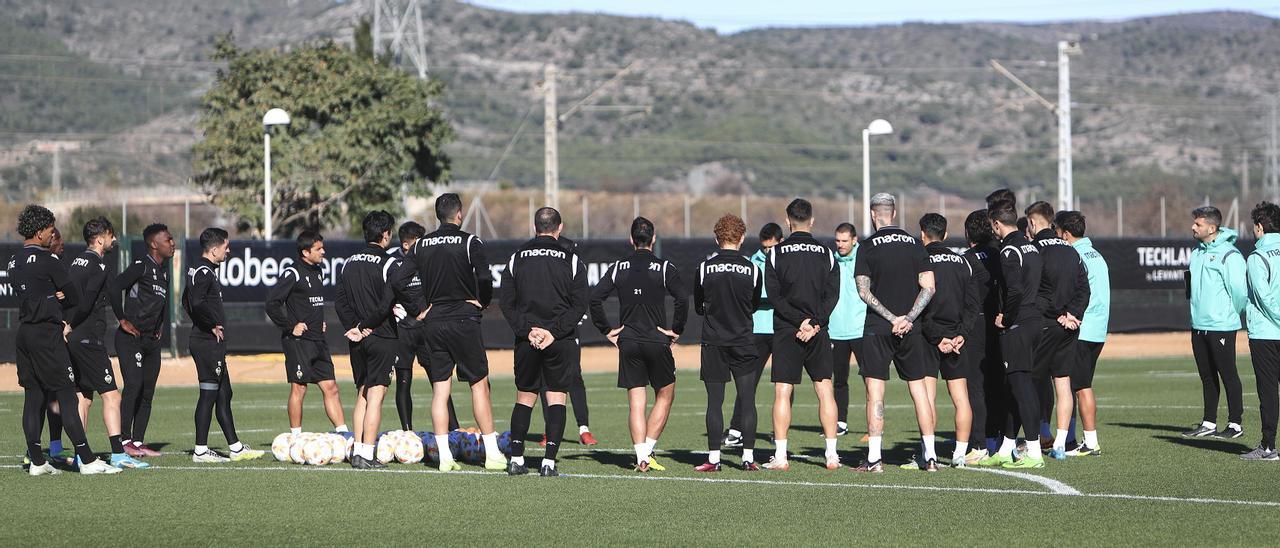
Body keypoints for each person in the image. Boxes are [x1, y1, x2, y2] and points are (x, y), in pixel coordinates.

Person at [11, 204, 120, 475]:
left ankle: (37, 461)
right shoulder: (50, 260)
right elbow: (73, 297)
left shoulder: (13, 261)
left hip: (24, 333)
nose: (52, 235)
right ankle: (87, 459)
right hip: (48, 334)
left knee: (33, 396)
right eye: (50, 230)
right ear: (39, 232)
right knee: (67, 396)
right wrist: (56, 297)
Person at [409, 194, 503, 471]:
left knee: (440, 390)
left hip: (434, 320)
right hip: (463, 318)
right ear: (459, 215)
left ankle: (445, 458)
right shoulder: (470, 241)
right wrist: (482, 302)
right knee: (479, 385)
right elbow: (485, 277)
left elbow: (399, 279)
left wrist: (419, 308)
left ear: (438, 215)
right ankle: (492, 454)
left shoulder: (420, 245)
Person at [590, 216, 689, 472]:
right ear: (653, 239)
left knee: (636, 401)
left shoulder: (617, 268)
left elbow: (595, 299)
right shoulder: (665, 267)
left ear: (631, 239)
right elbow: (682, 299)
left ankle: (641, 456)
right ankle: (647, 452)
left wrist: (607, 330)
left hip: (629, 341)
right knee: (665, 395)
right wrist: (675, 330)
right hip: (657, 339)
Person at [498, 207, 588, 476]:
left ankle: (516, 460)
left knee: (525, 397)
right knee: (557, 398)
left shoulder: (516, 258)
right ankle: (548, 463)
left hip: (528, 341)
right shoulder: (571, 260)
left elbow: (506, 303)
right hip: (558, 341)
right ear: (559, 228)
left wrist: (527, 331)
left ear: (535, 226)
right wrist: (554, 332)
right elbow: (579, 305)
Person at [852, 194, 936, 472]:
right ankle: (931, 456)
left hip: (878, 328)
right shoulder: (915, 244)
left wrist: (891, 318)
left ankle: (875, 458)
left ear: (873, 215)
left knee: (875, 393)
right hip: (911, 329)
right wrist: (908, 318)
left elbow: (863, 291)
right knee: (919, 391)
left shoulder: (866, 247)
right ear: (895, 213)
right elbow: (929, 287)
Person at [335, 210, 421, 470]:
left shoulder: (348, 262)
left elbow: (340, 301)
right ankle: (367, 453)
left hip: (357, 339)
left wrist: (354, 327)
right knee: (376, 394)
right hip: (381, 335)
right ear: (385, 235)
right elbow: (387, 304)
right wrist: (367, 326)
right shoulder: (389, 263)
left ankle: (358, 451)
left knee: (362, 392)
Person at [764, 199, 841, 471]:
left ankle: (781, 457)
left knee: (783, 392)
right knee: (824, 389)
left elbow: (774, 296)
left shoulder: (774, 254)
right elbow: (833, 295)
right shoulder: (827, 253)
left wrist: (800, 321)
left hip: (788, 329)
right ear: (812, 220)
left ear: (787, 221)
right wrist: (815, 323)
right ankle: (832, 455)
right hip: (818, 331)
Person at [64, 217, 147, 469]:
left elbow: (65, 295)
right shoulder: (99, 265)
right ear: (100, 238)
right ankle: (118, 453)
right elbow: (87, 302)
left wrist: (66, 325)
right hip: (87, 338)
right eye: (111, 236)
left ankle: (81, 454)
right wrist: (71, 324)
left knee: (83, 397)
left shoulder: (75, 262)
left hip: (74, 340)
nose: (114, 240)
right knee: (112, 396)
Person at [183, 228, 265, 462]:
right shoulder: (203, 271)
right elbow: (196, 303)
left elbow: (186, 301)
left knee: (224, 393)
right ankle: (200, 450)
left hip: (211, 342)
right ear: (214, 249)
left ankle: (236, 448)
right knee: (208, 395)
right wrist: (209, 325)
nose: (228, 251)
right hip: (206, 342)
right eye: (226, 247)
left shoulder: (204, 270)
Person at [976, 200, 1046, 469]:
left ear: (996, 224)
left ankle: (1033, 451)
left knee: (1021, 387)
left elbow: (1014, 291)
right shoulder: (1031, 246)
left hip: (1018, 324)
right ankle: (1006, 447)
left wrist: (1006, 317)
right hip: (1034, 320)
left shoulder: (1008, 250)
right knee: (1015, 386)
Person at [693, 214, 763, 471]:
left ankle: (713, 459)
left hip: (714, 342)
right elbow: (754, 305)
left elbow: (698, 305)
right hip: (743, 341)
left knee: (714, 402)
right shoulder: (753, 269)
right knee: (747, 399)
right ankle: (747, 458)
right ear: (742, 238)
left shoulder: (704, 268)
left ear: (716, 238)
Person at [266, 231, 349, 435]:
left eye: (323, 247)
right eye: (318, 249)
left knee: (331, 387)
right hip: (298, 342)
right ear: (305, 252)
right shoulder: (292, 273)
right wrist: (289, 326)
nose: (323, 251)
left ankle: (343, 434)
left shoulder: (319, 271)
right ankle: (296, 437)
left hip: (318, 340)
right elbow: (272, 304)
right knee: (299, 388)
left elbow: (311, 303)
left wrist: (318, 321)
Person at [1025, 201, 1089, 460]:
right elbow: (1084, 289)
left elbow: (1039, 292)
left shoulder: (1034, 249)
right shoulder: (1070, 250)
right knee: (1063, 383)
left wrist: (1058, 314)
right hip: (1068, 328)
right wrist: (1073, 314)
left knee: (1028, 381)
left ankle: (1032, 440)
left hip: (1044, 325)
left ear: (1032, 222)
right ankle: (1061, 444)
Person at [387, 221, 460, 432]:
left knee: (439, 381)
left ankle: (454, 429)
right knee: (403, 379)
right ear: (406, 245)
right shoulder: (391, 261)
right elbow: (388, 290)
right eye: (418, 242)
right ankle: (407, 431)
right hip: (403, 329)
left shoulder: (429, 255)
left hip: (427, 328)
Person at [111, 222, 175, 458]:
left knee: (147, 391)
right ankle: (124, 439)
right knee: (134, 385)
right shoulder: (141, 266)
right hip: (131, 339)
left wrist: (159, 328)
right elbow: (115, 286)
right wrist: (122, 319)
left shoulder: (164, 271)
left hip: (151, 341)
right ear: (153, 244)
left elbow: (160, 306)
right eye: (168, 239)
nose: (172, 243)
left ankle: (137, 441)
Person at [918, 213, 977, 467]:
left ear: (922, 234)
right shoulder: (962, 262)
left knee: (927, 398)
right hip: (956, 339)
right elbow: (972, 305)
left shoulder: (920, 260)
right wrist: (961, 334)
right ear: (944, 234)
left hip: (929, 337)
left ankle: (928, 455)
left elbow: (919, 305)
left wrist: (937, 336)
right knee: (961, 397)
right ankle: (960, 455)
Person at [1184, 206, 1247, 439]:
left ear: (1212, 228)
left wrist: (1231, 314)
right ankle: (1209, 422)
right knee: (1207, 376)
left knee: (1228, 374)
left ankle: (1235, 424)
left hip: (1221, 326)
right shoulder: (1197, 253)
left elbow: (1240, 291)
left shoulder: (1230, 255)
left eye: (1198, 224)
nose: (1193, 227)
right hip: (1198, 325)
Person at [725, 222, 783, 448]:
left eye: (772, 247)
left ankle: (779, 431)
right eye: (764, 248)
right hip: (757, 330)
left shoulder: (786, 261)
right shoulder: (751, 262)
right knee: (747, 382)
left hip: (781, 329)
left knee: (784, 384)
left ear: (781, 242)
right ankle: (736, 429)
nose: (767, 252)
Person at [1056, 210, 1109, 456]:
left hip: (1083, 327)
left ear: (1065, 234)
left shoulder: (1073, 256)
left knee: (1080, 385)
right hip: (1098, 328)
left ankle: (1090, 442)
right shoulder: (1096, 254)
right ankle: (1075, 439)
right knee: (1079, 384)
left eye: (1057, 232)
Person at [539, 234, 596, 447]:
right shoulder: (546, 268)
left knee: (574, 376)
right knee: (545, 380)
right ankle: (549, 430)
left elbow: (579, 298)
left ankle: (584, 429)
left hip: (567, 332)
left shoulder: (572, 266)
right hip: (545, 330)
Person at [960, 210, 998, 464]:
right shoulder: (1000, 253)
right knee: (998, 385)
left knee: (976, 386)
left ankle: (980, 443)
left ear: (967, 233)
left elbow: (966, 299)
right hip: (1002, 323)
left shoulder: (968, 260)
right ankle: (998, 441)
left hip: (976, 326)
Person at [1244, 202, 1280, 460]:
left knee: (1268, 391)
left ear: (1259, 227)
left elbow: (1263, 297)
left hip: (1266, 333)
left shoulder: (1257, 257)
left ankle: (1268, 447)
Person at [829, 222, 867, 438]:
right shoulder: (831, 260)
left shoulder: (865, 259)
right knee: (839, 380)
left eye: (845, 241)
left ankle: (874, 424)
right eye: (837, 241)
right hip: (836, 330)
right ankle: (840, 422)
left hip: (861, 329)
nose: (840, 245)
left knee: (869, 379)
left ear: (854, 240)